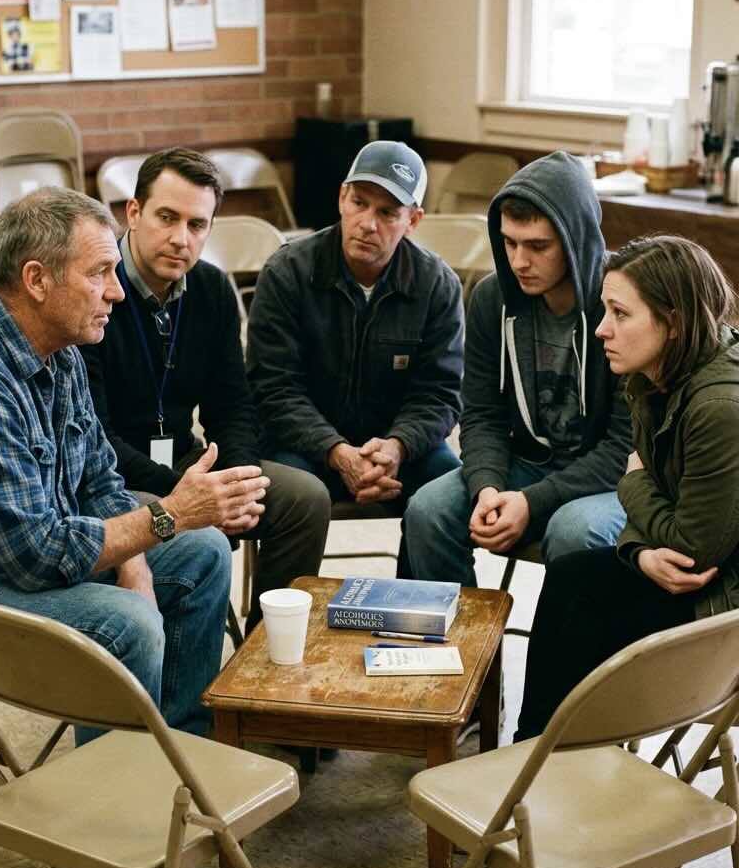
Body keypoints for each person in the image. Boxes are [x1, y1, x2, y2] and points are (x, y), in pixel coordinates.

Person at [0, 187, 264, 746]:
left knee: (205, 551)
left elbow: (100, 479)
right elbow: (37, 558)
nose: (116, 292)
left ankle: (180, 748)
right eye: (99, 274)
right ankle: (113, 802)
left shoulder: (59, 346)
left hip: (9, 563)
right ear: (38, 280)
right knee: (127, 623)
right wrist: (166, 517)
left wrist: (136, 567)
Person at [79, 148, 330, 632]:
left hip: (186, 462)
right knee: (192, 526)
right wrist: (191, 495)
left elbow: (233, 404)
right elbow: (95, 438)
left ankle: (261, 653)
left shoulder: (212, 290)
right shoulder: (97, 291)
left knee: (304, 499)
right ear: (133, 213)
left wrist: (234, 482)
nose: (180, 239)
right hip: (112, 477)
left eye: (197, 225)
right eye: (167, 218)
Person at [516, 235, 739, 738]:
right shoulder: (651, 377)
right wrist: (637, 551)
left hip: (723, 602)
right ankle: (544, 754)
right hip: (696, 571)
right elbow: (647, 519)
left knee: (579, 605)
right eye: (604, 311)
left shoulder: (718, 408)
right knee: (573, 582)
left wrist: (632, 483)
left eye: (620, 313)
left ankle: (544, 756)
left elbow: (690, 552)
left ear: (674, 322)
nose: (601, 330)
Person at [403, 150, 630, 584]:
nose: (519, 261)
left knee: (574, 532)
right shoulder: (492, 299)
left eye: (538, 246)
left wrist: (532, 501)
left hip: (606, 478)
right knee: (428, 510)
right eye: (509, 242)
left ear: (575, 239)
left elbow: (623, 449)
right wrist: (487, 487)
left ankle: (563, 653)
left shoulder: (619, 300)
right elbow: (483, 415)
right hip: (527, 462)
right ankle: (462, 650)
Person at [245, 140, 464, 565]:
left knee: (447, 491)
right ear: (342, 197)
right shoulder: (287, 272)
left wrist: (397, 448)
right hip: (302, 446)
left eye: (387, 213)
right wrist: (336, 451)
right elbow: (273, 388)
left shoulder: (437, 284)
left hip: (397, 452)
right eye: (359, 203)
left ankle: (426, 617)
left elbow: (440, 395)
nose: (368, 223)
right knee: (297, 494)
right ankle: (278, 624)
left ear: (413, 220)